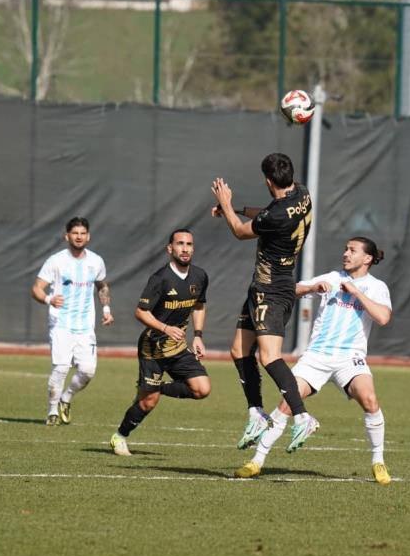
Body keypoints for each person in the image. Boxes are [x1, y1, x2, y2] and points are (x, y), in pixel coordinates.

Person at [234, 237, 394, 485]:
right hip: (316, 356)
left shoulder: (376, 286)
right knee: (287, 404)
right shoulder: (332, 277)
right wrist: (312, 288)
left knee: (370, 400)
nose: (346, 254)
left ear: (367, 258)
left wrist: (356, 292)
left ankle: (378, 461)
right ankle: (256, 461)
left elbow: (383, 318)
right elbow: (292, 290)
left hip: (349, 358)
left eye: (352, 250)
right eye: (345, 249)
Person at [210, 152, 319, 453]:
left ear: (268, 181)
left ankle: (302, 417)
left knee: (269, 357)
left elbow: (240, 231)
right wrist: (238, 209)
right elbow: (269, 214)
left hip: (271, 290)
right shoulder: (302, 193)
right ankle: (256, 413)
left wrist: (227, 204)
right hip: (265, 286)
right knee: (239, 350)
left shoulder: (277, 214)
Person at [109, 229, 211, 456]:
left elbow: (199, 305)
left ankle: (156, 388)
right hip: (152, 349)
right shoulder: (160, 278)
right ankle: (120, 436)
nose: (185, 249)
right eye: (180, 244)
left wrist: (198, 336)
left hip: (177, 348)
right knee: (148, 403)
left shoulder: (200, 276)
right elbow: (140, 312)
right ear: (170, 249)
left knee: (202, 389)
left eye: (189, 244)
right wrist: (165, 328)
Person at [31, 217, 113, 426]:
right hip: (61, 324)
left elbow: (102, 286)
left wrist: (106, 309)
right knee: (60, 368)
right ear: (66, 236)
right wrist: (49, 299)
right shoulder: (56, 261)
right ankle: (52, 411)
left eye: (83, 233)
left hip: (85, 327)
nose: (79, 237)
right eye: (75, 233)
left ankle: (66, 398)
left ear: (88, 236)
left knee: (88, 371)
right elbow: (36, 288)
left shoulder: (96, 261)